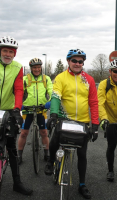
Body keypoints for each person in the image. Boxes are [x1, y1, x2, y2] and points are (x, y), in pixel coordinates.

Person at [44, 49, 99, 199]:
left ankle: (82, 184)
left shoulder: (89, 80)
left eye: (80, 61)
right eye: (74, 60)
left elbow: (93, 103)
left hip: (82, 120)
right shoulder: (61, 78)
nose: (77, 63)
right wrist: (54, 114)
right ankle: (50, 160)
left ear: (83, 63)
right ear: (68, 61)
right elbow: (55, 96)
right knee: (56, 137)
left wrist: (95, 125)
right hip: (64, 117)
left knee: (82, 153)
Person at [0, 36, 33, 195]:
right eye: (5, 50)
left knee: (11, 148)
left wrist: (17, 109)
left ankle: (17, 183)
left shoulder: (18, 67)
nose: (7, 54)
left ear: (15, 54)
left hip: (8, 111)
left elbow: (19, 89)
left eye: (11, 52)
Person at [17, 58, 53, 164]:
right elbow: (19, 93)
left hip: (41, 110)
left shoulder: (46, 79)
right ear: (31, 68)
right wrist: (20, 105)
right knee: (23, 133)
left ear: (41, 68)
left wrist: (50, 102)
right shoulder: (25, 79)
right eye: (34, 67)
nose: (37, 69)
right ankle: (19, 155)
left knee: (44, 132)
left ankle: (47, 153)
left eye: (38, 67)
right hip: (27, 110)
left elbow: (51, 91)